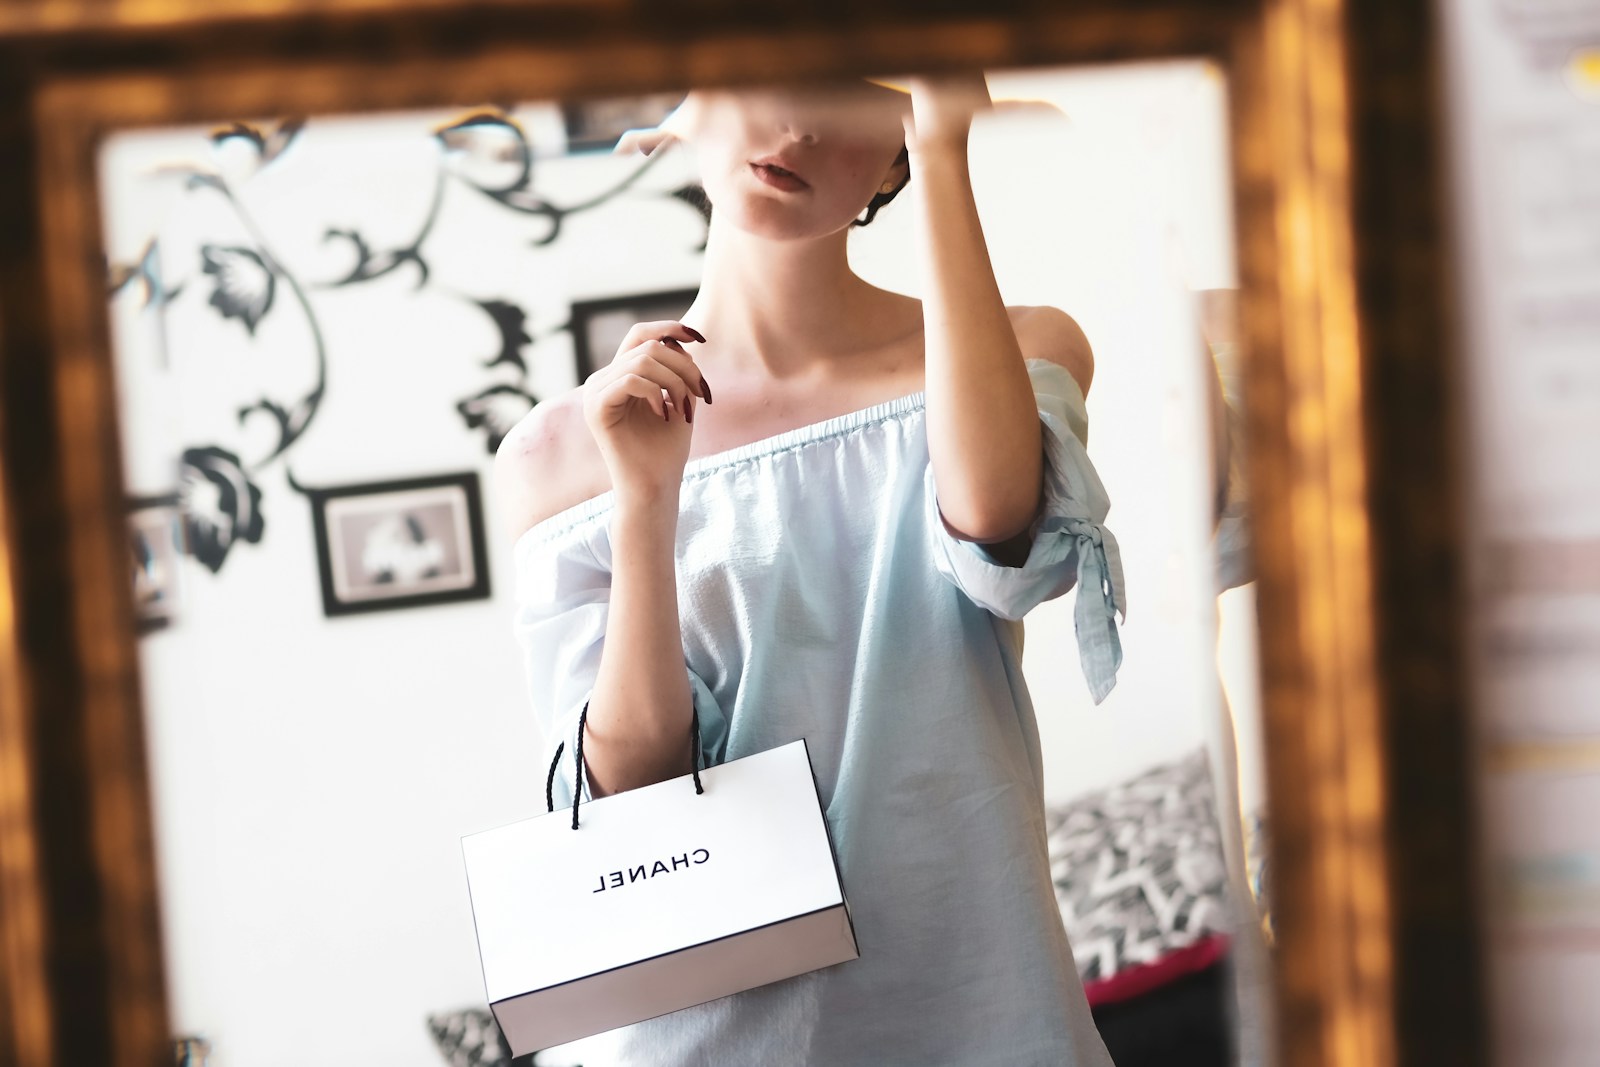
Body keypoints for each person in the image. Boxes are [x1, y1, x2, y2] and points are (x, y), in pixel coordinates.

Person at [493, 74, 1126, 1066]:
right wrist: (645, 501)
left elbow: (997, 540)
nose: (794, 127)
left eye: (855, 101)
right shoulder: (559, 452)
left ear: (895, 157)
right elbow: (633, 787)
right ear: (684, 101)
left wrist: (951, 152)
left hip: (974, 1001)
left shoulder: (1018, 348)